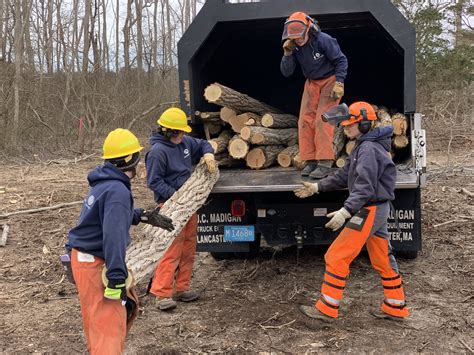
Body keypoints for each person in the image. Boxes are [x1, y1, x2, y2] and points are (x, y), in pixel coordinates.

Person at [294, 102, 409, 322]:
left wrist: (345, 211)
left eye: (350, 124)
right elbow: (343, 174)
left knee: (336, 255)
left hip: (371, 208)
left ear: (365, 124)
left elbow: (365, 187)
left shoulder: (368, 149)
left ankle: (327, 309)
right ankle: (395, 306)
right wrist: (318, 187)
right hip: (377, 208)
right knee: (383, 258)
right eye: (344, 124)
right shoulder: (363, 145)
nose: (345, 128)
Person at [66, 128, 174, 354]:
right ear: (132, 160)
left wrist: (141, 215)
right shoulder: (117, 190)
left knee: (98, 326)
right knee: (109, 329)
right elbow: (113, 236)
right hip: (96, 263)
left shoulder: (104, 183)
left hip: (82, 258)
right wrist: (116, 277)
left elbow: (106, 215)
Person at [145, 107, 217, 311]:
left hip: (189, 203)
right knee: (171, 249)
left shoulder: (184, 143)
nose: (182, 136)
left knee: (188, 247)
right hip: (171, 205)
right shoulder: (157, 153)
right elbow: (154, 182)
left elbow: (202, 144)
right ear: (167, 131)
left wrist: (208, 154)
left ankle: (182, 287)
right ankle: (162, 293)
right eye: (178, 133)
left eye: (183, 132)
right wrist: (176, 197)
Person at [281, 11, 348, 179]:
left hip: (330, 80)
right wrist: (287, 55)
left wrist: (339, 81)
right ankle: (310, 161)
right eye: (294, 38)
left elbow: (341, 60)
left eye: (299, 37)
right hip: (311, 83)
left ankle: (324, 162)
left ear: (309, 29)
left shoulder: (323, 40)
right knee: (304, 120)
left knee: (323, 119)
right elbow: (286, 73)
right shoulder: (294, 45)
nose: (297, 40)